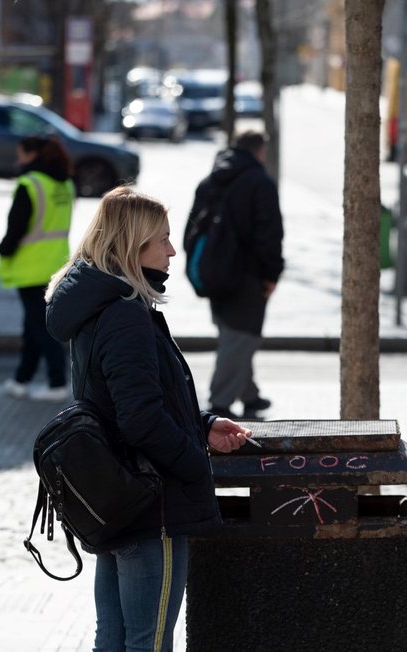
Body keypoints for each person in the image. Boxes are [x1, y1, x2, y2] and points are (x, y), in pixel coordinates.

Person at [45, 185, 254, 651]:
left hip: (120, 498)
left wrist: (200, 424)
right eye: (162, 239)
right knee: (150, 640)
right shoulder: (124, 315)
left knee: (116, 636)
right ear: (131, 245)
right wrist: (194, 465)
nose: (172, 250)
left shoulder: (97, 307)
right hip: (150, 503)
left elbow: (125, 401)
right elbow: (139, 419)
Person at [187, 130, 284, 420]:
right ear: (260, 151)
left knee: (233, 333)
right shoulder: (259, 183)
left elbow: (191, 228)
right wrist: (271, 274)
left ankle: (249, 395)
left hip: (214, 271)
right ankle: (219, 402)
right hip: (247, 275)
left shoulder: (210, 180)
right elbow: (270, 234)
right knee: (240, 337)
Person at [0, 136, 75, 402]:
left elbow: (15, 228)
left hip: (31, 267)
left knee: (40, 327)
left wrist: (3, 249)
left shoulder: (30, 184)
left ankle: (57, 383)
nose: (18, 160)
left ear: (33, 155)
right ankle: (22, 379)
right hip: (57, 264)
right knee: (33, 325)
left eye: (21, 155)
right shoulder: (65, 183)